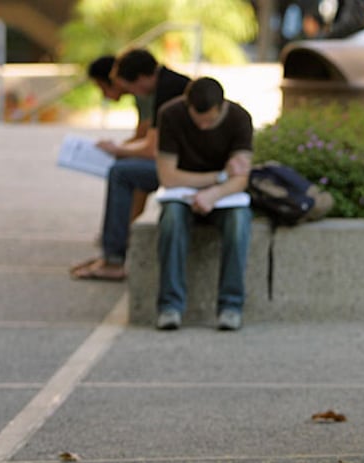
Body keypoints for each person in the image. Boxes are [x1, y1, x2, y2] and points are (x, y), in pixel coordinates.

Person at [71, 49, 190, 281]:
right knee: (127, 169)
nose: (130, 92)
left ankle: (114, 258)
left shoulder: (167, 90)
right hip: (182, 165)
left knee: (121, 173)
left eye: (127, 85)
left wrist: (117, 150)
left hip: (182, 171)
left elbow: (150, 149)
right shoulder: (167, 82)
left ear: (141, 79)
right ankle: (115, 248)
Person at [154, 77, 254, 332]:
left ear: (221, 108)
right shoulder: (170, 114)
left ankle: (231, 306)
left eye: (209, 120)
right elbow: (168, 176)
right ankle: (170, 306)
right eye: (197, 119)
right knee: (171, 220)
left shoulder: (240, 118)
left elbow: (240, 179)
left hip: (223, 198)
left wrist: (213, 194)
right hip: (182, 196)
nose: (202, 125)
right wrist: (219, 176)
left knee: (239, 221)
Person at [84, 55, 153, 230]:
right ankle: (123, 234)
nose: (103, 94)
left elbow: (145, 140)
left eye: (102, 87)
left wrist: (117, 149)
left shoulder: (143, 92)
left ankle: (121, 239)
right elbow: (141, 135)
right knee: (127, 165)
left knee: (126, 171)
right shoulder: (141, 94)